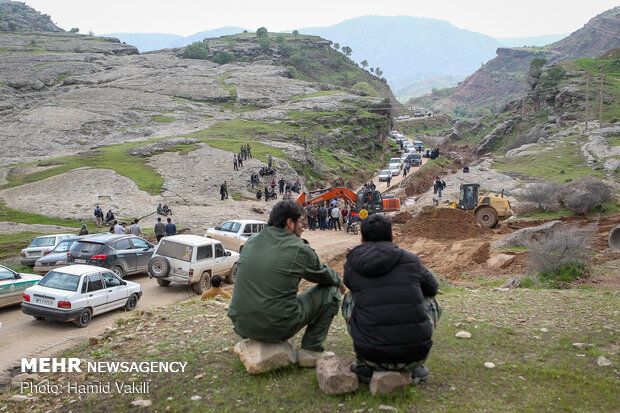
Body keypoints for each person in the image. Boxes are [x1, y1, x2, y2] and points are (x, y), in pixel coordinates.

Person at [228, 200, 345, 367]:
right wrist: (340, 283)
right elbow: (324, 275)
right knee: (331, 292)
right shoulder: (298, 247)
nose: (303, 227)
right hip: (276, 326)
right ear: (290, 223)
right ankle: (311, 350)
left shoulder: (251, 241)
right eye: (301, 222)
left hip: (242, 325)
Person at [342, 214, 441, 384]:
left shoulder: (352, 263)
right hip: (414, 358)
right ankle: (410, 365)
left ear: (362, 239)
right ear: (392, 238)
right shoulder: (410, 260)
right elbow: (432, 287)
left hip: (370, 358)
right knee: (430, 299)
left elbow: (352, 286)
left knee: (350, 298)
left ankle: (364, 364)